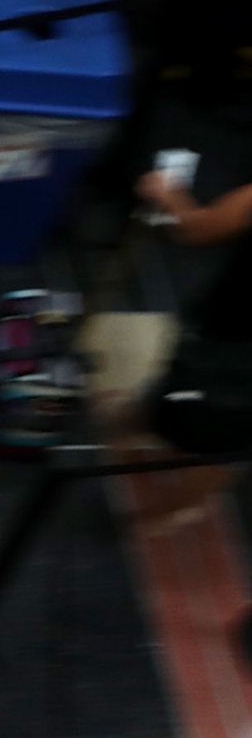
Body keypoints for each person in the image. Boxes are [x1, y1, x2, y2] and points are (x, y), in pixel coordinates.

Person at [129, 164, 252, 527]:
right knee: (231, 434)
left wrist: (165, 192)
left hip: (228, 329)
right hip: (227, 330)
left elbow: (194, 228)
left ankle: (173, 509)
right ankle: (173, 502)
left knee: (222, 436)